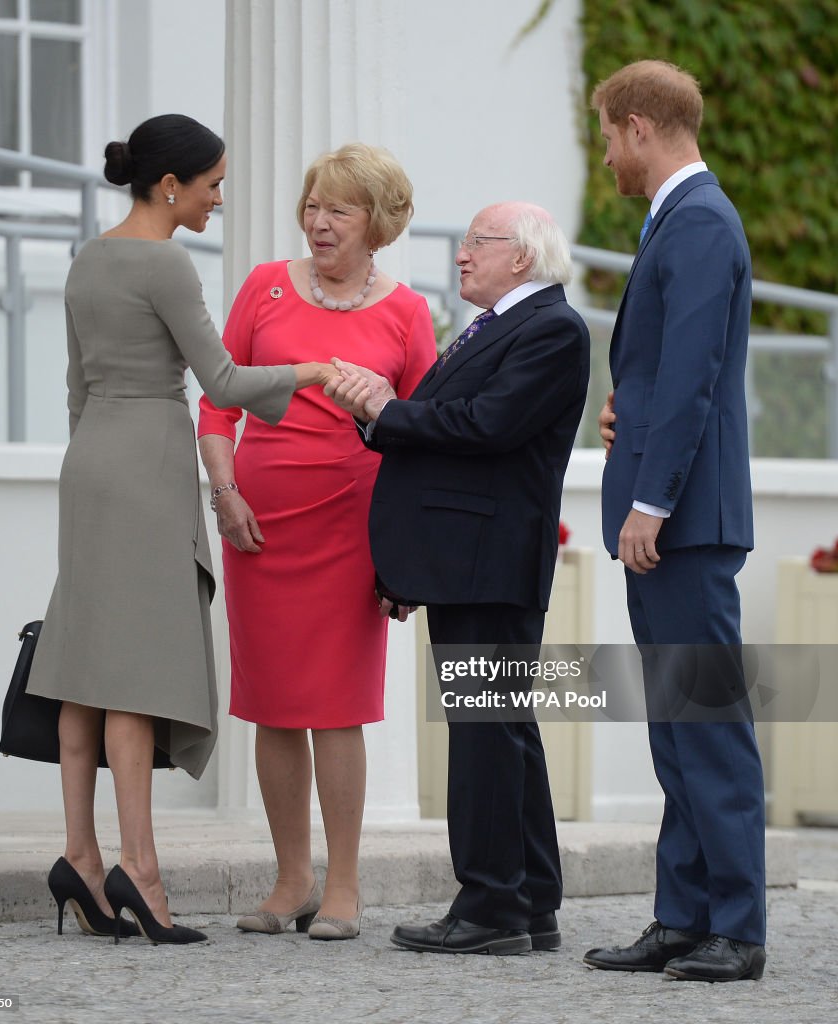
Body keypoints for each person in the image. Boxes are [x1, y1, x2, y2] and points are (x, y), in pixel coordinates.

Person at [27, 114, 336, 945]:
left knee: (83, 666)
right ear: (171, 186)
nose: (218, 199)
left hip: (89, 460)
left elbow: (75, 388)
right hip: (146, 465)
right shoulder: (165, 264)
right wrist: (313, 369)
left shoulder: (88, 257)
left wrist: (95, 455)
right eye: (212, 185)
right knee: (132, 671)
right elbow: (224, 379)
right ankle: (143, 872)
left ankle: (82, 861)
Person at [326, 201, 589, 954]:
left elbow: (487, 425)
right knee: (502, 730)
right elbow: (455, 420)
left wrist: (387, 411)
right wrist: (380, 411)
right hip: (471, 560)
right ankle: (529, 898)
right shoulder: (500, 324)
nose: (462, 254)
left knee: (485, 735)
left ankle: (489, 908)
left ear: (523, 256)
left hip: (492, 563)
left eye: (479, 242)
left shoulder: (550, 326)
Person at [197, 143, 436, 940]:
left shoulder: (406, 310)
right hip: (258, 525)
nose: (318, 222)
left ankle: (343, 884)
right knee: (272, 705)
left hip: (351, 527)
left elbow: (422, 434)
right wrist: (225, 494)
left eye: (339, 209)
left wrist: (408, 547)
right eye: (312, 206)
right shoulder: (264, 285)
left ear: (378, 222)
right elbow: (218, 405)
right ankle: (291, 877)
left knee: (336, 708)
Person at [583, 60, 766, 982]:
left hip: (683, 520)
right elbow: (667, 372)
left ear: (641, 126)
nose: (606, 154)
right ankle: (685, 916)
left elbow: (697, 373)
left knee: (708, 724)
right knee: (673, 725)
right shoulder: (679, 222)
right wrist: (630, 411)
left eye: (609, 134)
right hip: (672, 513)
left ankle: (736, 924)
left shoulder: (696, 221)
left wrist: (651, 501)